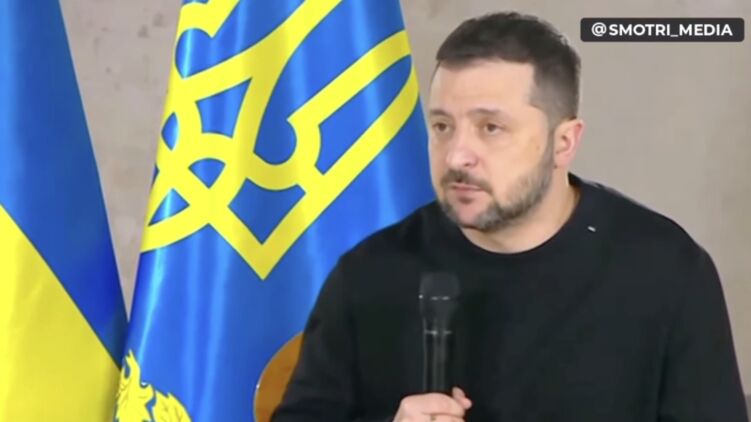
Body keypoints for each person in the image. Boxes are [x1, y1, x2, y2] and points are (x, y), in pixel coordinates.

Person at [271, 11, 748, 422]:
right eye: (442, 126)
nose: (457, 155)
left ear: (564, 142)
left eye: (491, 128)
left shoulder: (665, 272)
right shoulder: (369, 273)